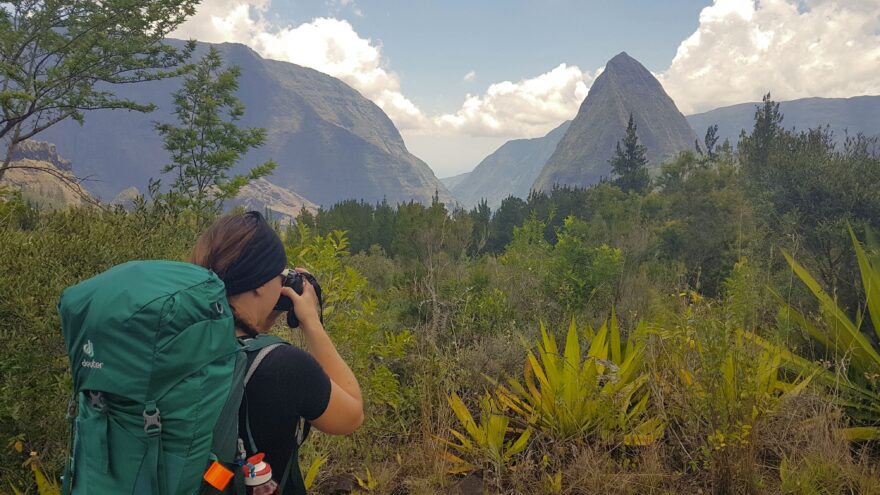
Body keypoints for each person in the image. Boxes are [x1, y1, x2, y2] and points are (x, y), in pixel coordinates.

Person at [190, 211, 364, 488]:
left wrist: (260, 317)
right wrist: (311, 322)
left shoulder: (181, 344)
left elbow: (241, 345)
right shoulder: (283, 365)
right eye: (278, 275)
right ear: (260, 285)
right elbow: (351, 416)